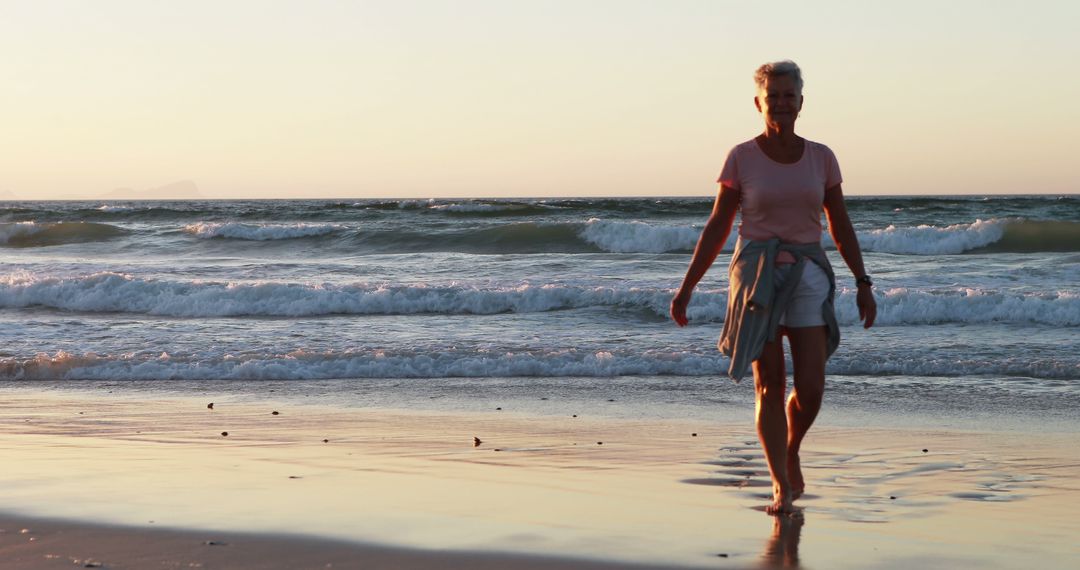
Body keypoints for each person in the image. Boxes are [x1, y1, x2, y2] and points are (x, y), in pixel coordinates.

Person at [670, 60, 876, 515]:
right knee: (769, 385)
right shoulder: (742, 157)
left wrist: (863, 281)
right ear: (759, 102)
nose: (781, 103)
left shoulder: (821, 157)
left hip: (807, 273)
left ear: (801, 102)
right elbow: (718, 226)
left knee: (811, 387)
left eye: (789, 95)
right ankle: (780, 483)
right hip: (757, 276)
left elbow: (839, 223)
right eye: (774, 96)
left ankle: (791, 446)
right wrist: (687, 287)